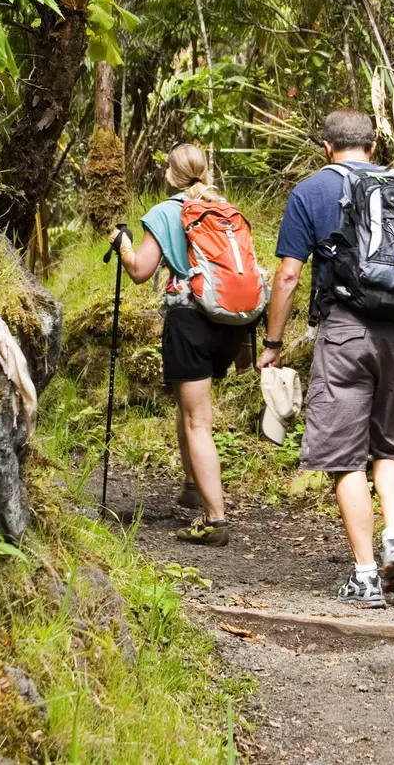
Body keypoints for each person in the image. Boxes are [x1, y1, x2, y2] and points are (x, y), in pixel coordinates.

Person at [259, 109, 394, 608]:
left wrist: (273, 343)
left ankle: (367, 574)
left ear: (327, 147)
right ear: (371, 145)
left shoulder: (311, 191)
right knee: (391, 445)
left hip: (346, 332)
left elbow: (287, 276)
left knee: (343, 454)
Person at [111, 142, 252, 546]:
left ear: (169, 174)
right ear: (205, 170)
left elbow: (140, 270)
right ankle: (192, 485)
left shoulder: (165, 211)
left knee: (197, 422)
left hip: (189, 319)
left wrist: (121, 241)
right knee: (188, 407)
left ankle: (215, 520)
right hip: (228, 321)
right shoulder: (225, 208)